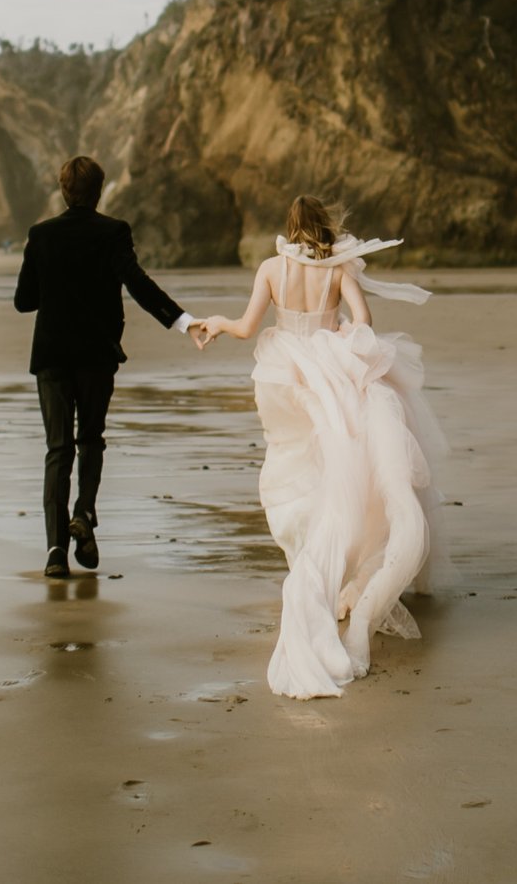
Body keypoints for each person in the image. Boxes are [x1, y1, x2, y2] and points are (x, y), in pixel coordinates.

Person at [194, 195, 453, 698]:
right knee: (344, 467)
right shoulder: (338, 270)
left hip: (285, 378)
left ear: (288, 227)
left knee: (296, 467)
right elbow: (363, 322)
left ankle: (313, 565)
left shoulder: (271, 269)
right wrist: (336, 340)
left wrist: (215, 324)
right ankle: (344, 576)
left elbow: (248, 328)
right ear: (324, 226)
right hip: (329, 374)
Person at [12, 155, 203, 579]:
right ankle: (84, 512)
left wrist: (57, 284)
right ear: (99, 191)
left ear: (64, 191)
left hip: (52, 356)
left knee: (57, 449)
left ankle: (56, 552)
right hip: (97, 354)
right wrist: (181, 320)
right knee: (91, 439)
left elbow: (24, 301)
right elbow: (136, 282)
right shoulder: (113, 232)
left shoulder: (41, 235)